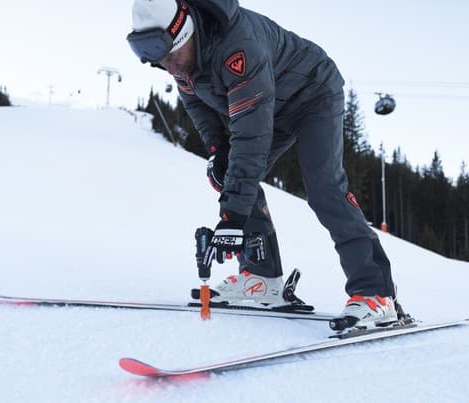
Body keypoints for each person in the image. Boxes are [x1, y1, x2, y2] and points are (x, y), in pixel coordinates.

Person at [127, 0, 398, 328]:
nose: (168, 67)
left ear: (187, 33)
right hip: (269, 104)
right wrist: (218, 150)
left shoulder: (238, 46)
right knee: (228, 173)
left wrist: (233, 217)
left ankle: (376, 293)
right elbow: (199, 108)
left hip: (313, 94)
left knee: (325, 188)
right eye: (158, 60)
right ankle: (261, 276)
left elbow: (252, 138)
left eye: (171, 56)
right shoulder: (181, 60)